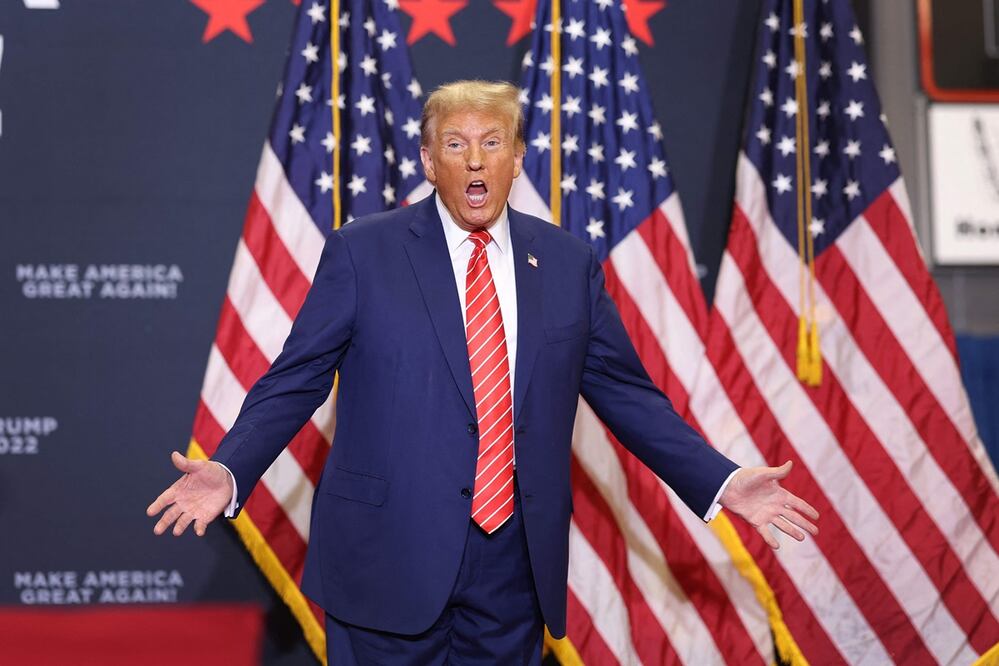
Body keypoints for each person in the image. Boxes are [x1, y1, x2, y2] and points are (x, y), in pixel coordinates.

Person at [147, 80, 818, 665]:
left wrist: (722, 481)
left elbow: (630, 398)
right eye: (455, 144)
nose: (475, 159)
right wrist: (231, 467)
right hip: (387, 556)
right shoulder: (364, 252)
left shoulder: (566, 263)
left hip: (512, 569)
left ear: (517, 158)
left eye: (492, 143)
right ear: (428, 160)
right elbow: (295, 378)